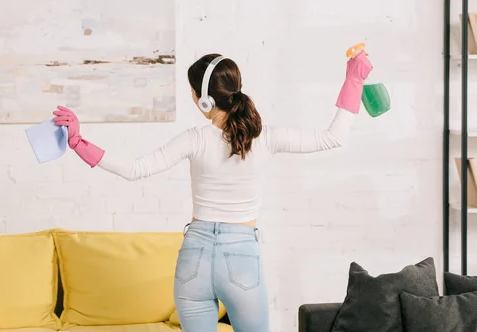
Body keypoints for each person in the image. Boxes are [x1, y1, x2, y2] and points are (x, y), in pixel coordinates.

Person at [52, 52, 373, 332]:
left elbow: (135, 169)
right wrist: (353, 79)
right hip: (241, 258)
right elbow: (334, 137)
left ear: (202, 99)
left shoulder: (194, 138)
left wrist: (78, 141)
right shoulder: (267, 137)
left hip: (195, 258)